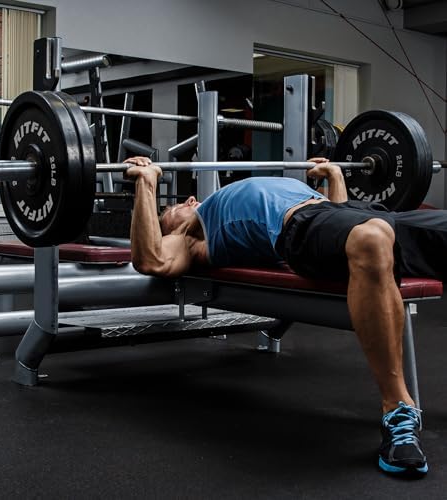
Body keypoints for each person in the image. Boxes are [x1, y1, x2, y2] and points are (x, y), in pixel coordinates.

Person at [123, 155, 447, 477]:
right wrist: (147, 185)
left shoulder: (205, 205)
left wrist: (334, 176)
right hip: (298, 226)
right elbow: (152, 259)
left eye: (175, 207)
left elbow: (340, 230)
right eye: (168, 215)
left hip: (351, 212)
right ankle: (398, 411)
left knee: (378, 232)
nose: (180, 208)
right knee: (371, 239)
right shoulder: (191, 236)